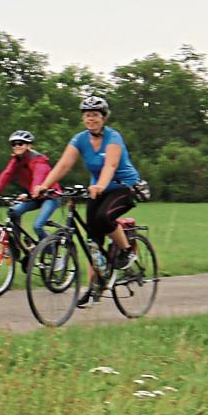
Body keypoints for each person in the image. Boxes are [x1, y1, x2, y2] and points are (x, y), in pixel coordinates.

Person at [34, 96, 141, 304]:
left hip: (123, 186)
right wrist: (45, 185)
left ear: (104, 118)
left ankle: (127, 251)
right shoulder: (80, 139)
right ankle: (95, 287)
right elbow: (63, 165)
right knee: (93, 240)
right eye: (87, 115)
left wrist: (100, 185)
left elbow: (110, 165)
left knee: (103, 218)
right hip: (97, 190)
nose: (91, 119)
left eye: (95, 115)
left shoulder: (113, 137)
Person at [0, 130, 57, 240]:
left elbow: (38, 177)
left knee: (37, 226)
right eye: (14, 144)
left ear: (29, 146)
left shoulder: (38, 160)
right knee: (14, 212)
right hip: (34, 196)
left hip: (50, 196)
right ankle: (16, 245)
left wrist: (31, 194)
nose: (17, 146)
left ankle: (50, 248)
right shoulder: (16, 161)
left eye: (20, 143)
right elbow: (6, 175)